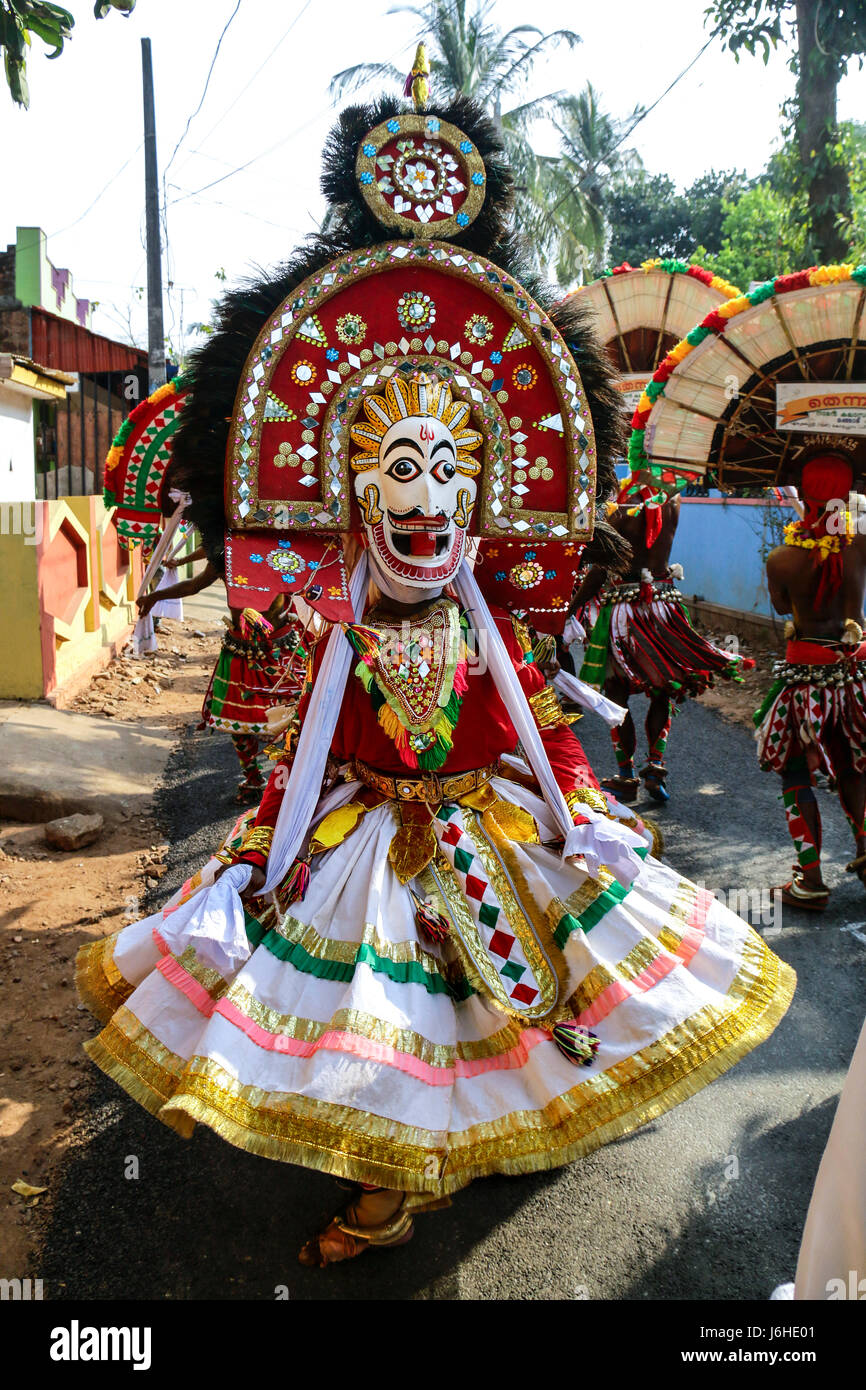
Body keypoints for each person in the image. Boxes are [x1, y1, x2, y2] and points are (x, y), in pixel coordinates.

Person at [77, 90, 794, 1270]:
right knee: (380, 1020)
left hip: (488, 832)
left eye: (443, 479)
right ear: (358, 499)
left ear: (476, 499)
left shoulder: (492, 633)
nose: (421, 505)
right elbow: (309, 747)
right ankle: (385, 1191)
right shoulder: (341, 637)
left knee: (505, 1007)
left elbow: (535, 727)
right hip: (363, 844)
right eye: (396, 478)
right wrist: (264, 850)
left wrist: (587, 814)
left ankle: (474, 1146)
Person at [571, 495, 751, 802]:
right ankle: (655, 766)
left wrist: (570, 609)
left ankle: (626, 776)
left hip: (623, 612)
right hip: (664, 605)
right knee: (663, 687)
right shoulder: (673, 502)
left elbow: (601, 571)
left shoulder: (621, 511)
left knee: (616, 692)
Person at [755, 452, 866, 910]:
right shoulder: (861, 543)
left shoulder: (781, 559)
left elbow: (784, 610)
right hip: (855, 670)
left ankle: (810, 881)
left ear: (802, 493)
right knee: (857, 761)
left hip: (803, 674)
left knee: (795, 769)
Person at [138, 554, 307, 802]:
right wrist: (155, 596)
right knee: (237, 721)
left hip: (280, 649)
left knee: (296, 718)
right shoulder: (226, 555)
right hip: (241, 650)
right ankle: (254, 779)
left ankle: (294, 779)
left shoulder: (282, 553)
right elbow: (194, 585)